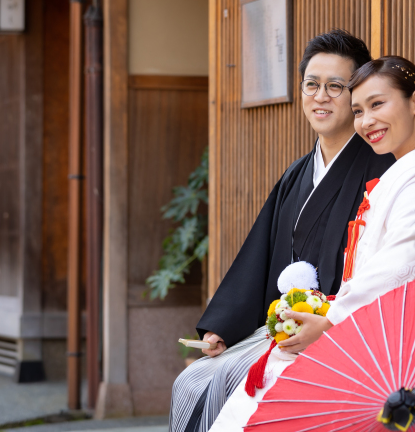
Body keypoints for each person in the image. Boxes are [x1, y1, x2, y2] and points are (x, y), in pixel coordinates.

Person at [209, 55, 415, 431]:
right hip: (375, 325)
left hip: (399, 345)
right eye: (358, 110)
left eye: (377, 104)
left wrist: (332, 321)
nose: (366, 121)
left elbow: (397, 265)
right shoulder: (404, 174)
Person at [169, 31, 395, 432]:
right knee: (191, 382)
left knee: (218, 385)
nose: (320, 96)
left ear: (356, 94)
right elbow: (259, 255)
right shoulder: (297, 174)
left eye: (335, 87)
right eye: (312, 84)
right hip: (285, 327)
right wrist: (224, 325)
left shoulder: (379, 170)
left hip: (337, 333)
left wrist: (327, 321)